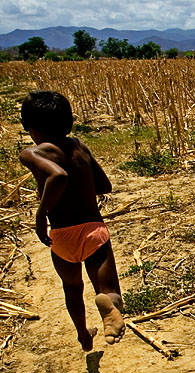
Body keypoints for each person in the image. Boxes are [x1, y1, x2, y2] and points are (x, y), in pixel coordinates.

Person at [19, 90, 125, 351]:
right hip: (93, 230)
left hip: (62, 235)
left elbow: (57, 176)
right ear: (69, 121)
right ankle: (109, 308)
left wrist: (41, 213)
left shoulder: (33, 152)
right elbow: (105, 185)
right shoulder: (79, 146)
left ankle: (83, 334)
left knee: (72, 287)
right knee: (109, 290)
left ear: (30, 127)